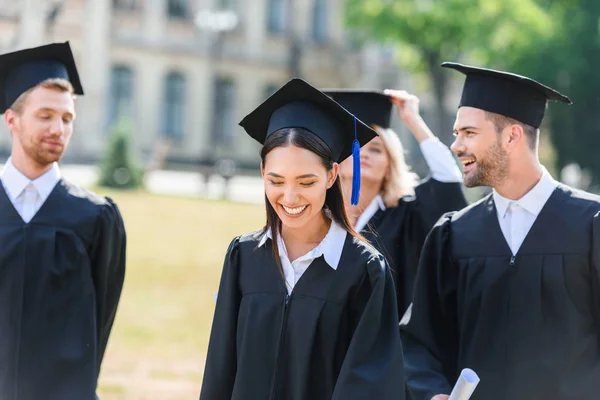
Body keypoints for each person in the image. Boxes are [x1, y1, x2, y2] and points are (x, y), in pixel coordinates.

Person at [400, 62, 600, 400]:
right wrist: (433, 393)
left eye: (469, 133)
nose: (456, 145)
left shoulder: (590, 224)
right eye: (456, 133)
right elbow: (419, 341)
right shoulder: (455, 234)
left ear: (512, 136)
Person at [200, 78, 405, 400]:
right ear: (262, 172)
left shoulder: (362, 270)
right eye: (276, 180)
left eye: (306, 182)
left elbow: (369, 384)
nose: (290, 197)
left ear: (332, 175)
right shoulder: (244, 256)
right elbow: (220, 369)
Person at [0, 42, 126, 400]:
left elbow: (101, 321)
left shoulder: (95, 217)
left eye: (67, 118)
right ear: (12, 119)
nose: (58, 128)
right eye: (45, 116)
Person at [325, 89, 467, 316]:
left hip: (388, 343)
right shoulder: (318, 216)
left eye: (376, 149)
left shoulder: (407, 216)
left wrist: (414, 121)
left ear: (390, 163)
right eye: (355, 145)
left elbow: (447, 179)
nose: (364, 153)